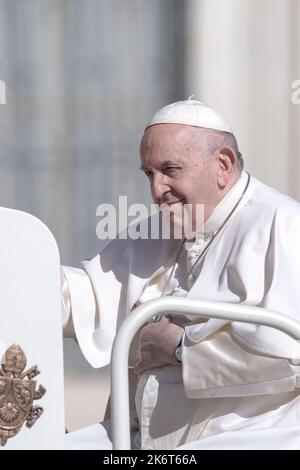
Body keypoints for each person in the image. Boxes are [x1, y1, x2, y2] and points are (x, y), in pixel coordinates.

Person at [63, 99, 300, 450]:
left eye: (171, 170)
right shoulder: (157, 229)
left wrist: (179, 350)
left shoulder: (283, 224)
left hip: (250, 435)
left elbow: (289, 354)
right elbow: (88, 297)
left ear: (223, 165)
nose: (157, 190)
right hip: (146, 435)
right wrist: (23, 275)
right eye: (149, 173)